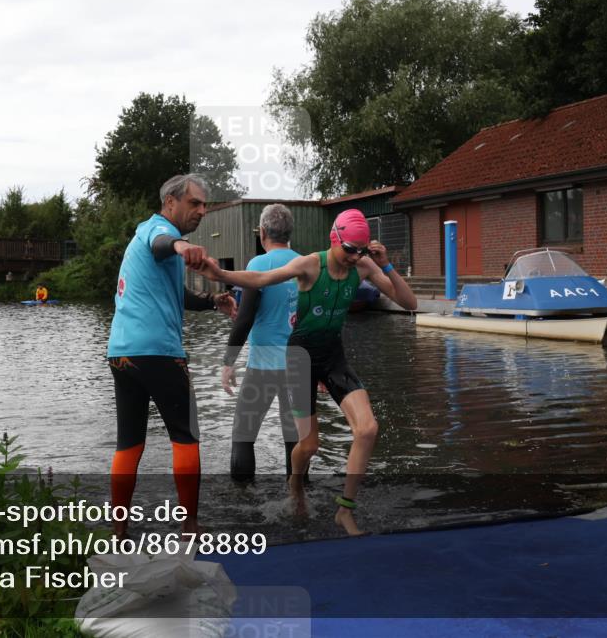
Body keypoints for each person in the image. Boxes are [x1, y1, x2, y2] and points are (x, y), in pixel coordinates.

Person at [196, 208, 417, 535]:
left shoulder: (363, 265)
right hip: (297, 359)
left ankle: (330, 507)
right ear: (334, 239)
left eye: (361, 250)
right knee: (304, 444)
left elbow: (409, 302)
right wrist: (221, 275)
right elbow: (260, 281)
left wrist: (385, 264)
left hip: (314, 358)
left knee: (357, 430)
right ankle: (296, 488)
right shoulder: (308, 263)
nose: (355, 257)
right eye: (350, 249)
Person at [106, 173, 237, 539]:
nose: (202, 211)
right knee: (186, 437)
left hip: (121, 354)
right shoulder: (156, 229)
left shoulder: (149, 238)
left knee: (129, 442)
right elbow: (162, 244)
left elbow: (176, 296)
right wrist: (181, 247)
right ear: (170, 203)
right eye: (194, 203)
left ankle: (119, 531)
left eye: (204, 205)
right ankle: (190, 525)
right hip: (159, 353)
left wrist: (213, 301)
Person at [221, 204, 301, 482]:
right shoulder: (306, 265)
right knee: (295, 440)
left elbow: (244, 320)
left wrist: (228, 363)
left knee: (243, 436)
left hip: (263, 368)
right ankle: (298, 499)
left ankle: (243, 503)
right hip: (299, 368)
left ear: (263, 233)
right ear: (289, 233)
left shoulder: (258, 266)